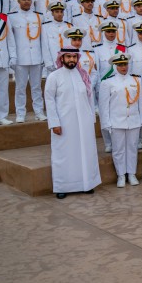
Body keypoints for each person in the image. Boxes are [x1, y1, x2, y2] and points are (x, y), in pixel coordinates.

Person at [44, 48, 102, 199]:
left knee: (85, 153)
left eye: (74, 57)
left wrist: (91, 119)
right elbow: (49, 101)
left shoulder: (83, 75)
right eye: (68, 56)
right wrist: (54, 123)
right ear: (62, 58)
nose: (71, 60)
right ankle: (62, 186)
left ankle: (86, 184)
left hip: (84, 123)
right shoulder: (54, 77)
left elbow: (89, 98)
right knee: (64, 154)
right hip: (63, 123)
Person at [98, 53, 142, 188]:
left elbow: (140, 102)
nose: (123, 67)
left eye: (125, 64)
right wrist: (106, 123)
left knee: (132, 148)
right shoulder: (107, 82)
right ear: (115, 66)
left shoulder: (136, 80)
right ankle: (121, 175)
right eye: (120, 65)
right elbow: (103, 106)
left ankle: (131, 173)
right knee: (118, 149)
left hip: (134, 120)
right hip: (116, 121)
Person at [8, 0, 47, 122]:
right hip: (20, 58)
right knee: (20, 88)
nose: (26, 1)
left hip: (36, 57)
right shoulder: (11, 17)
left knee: (36, 87)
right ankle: (20, 113)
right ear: (18, 0)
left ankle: (39, 112)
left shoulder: (39, 16)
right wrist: (12, 56)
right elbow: (10, 39)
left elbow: (43, 39)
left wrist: (44, 57)